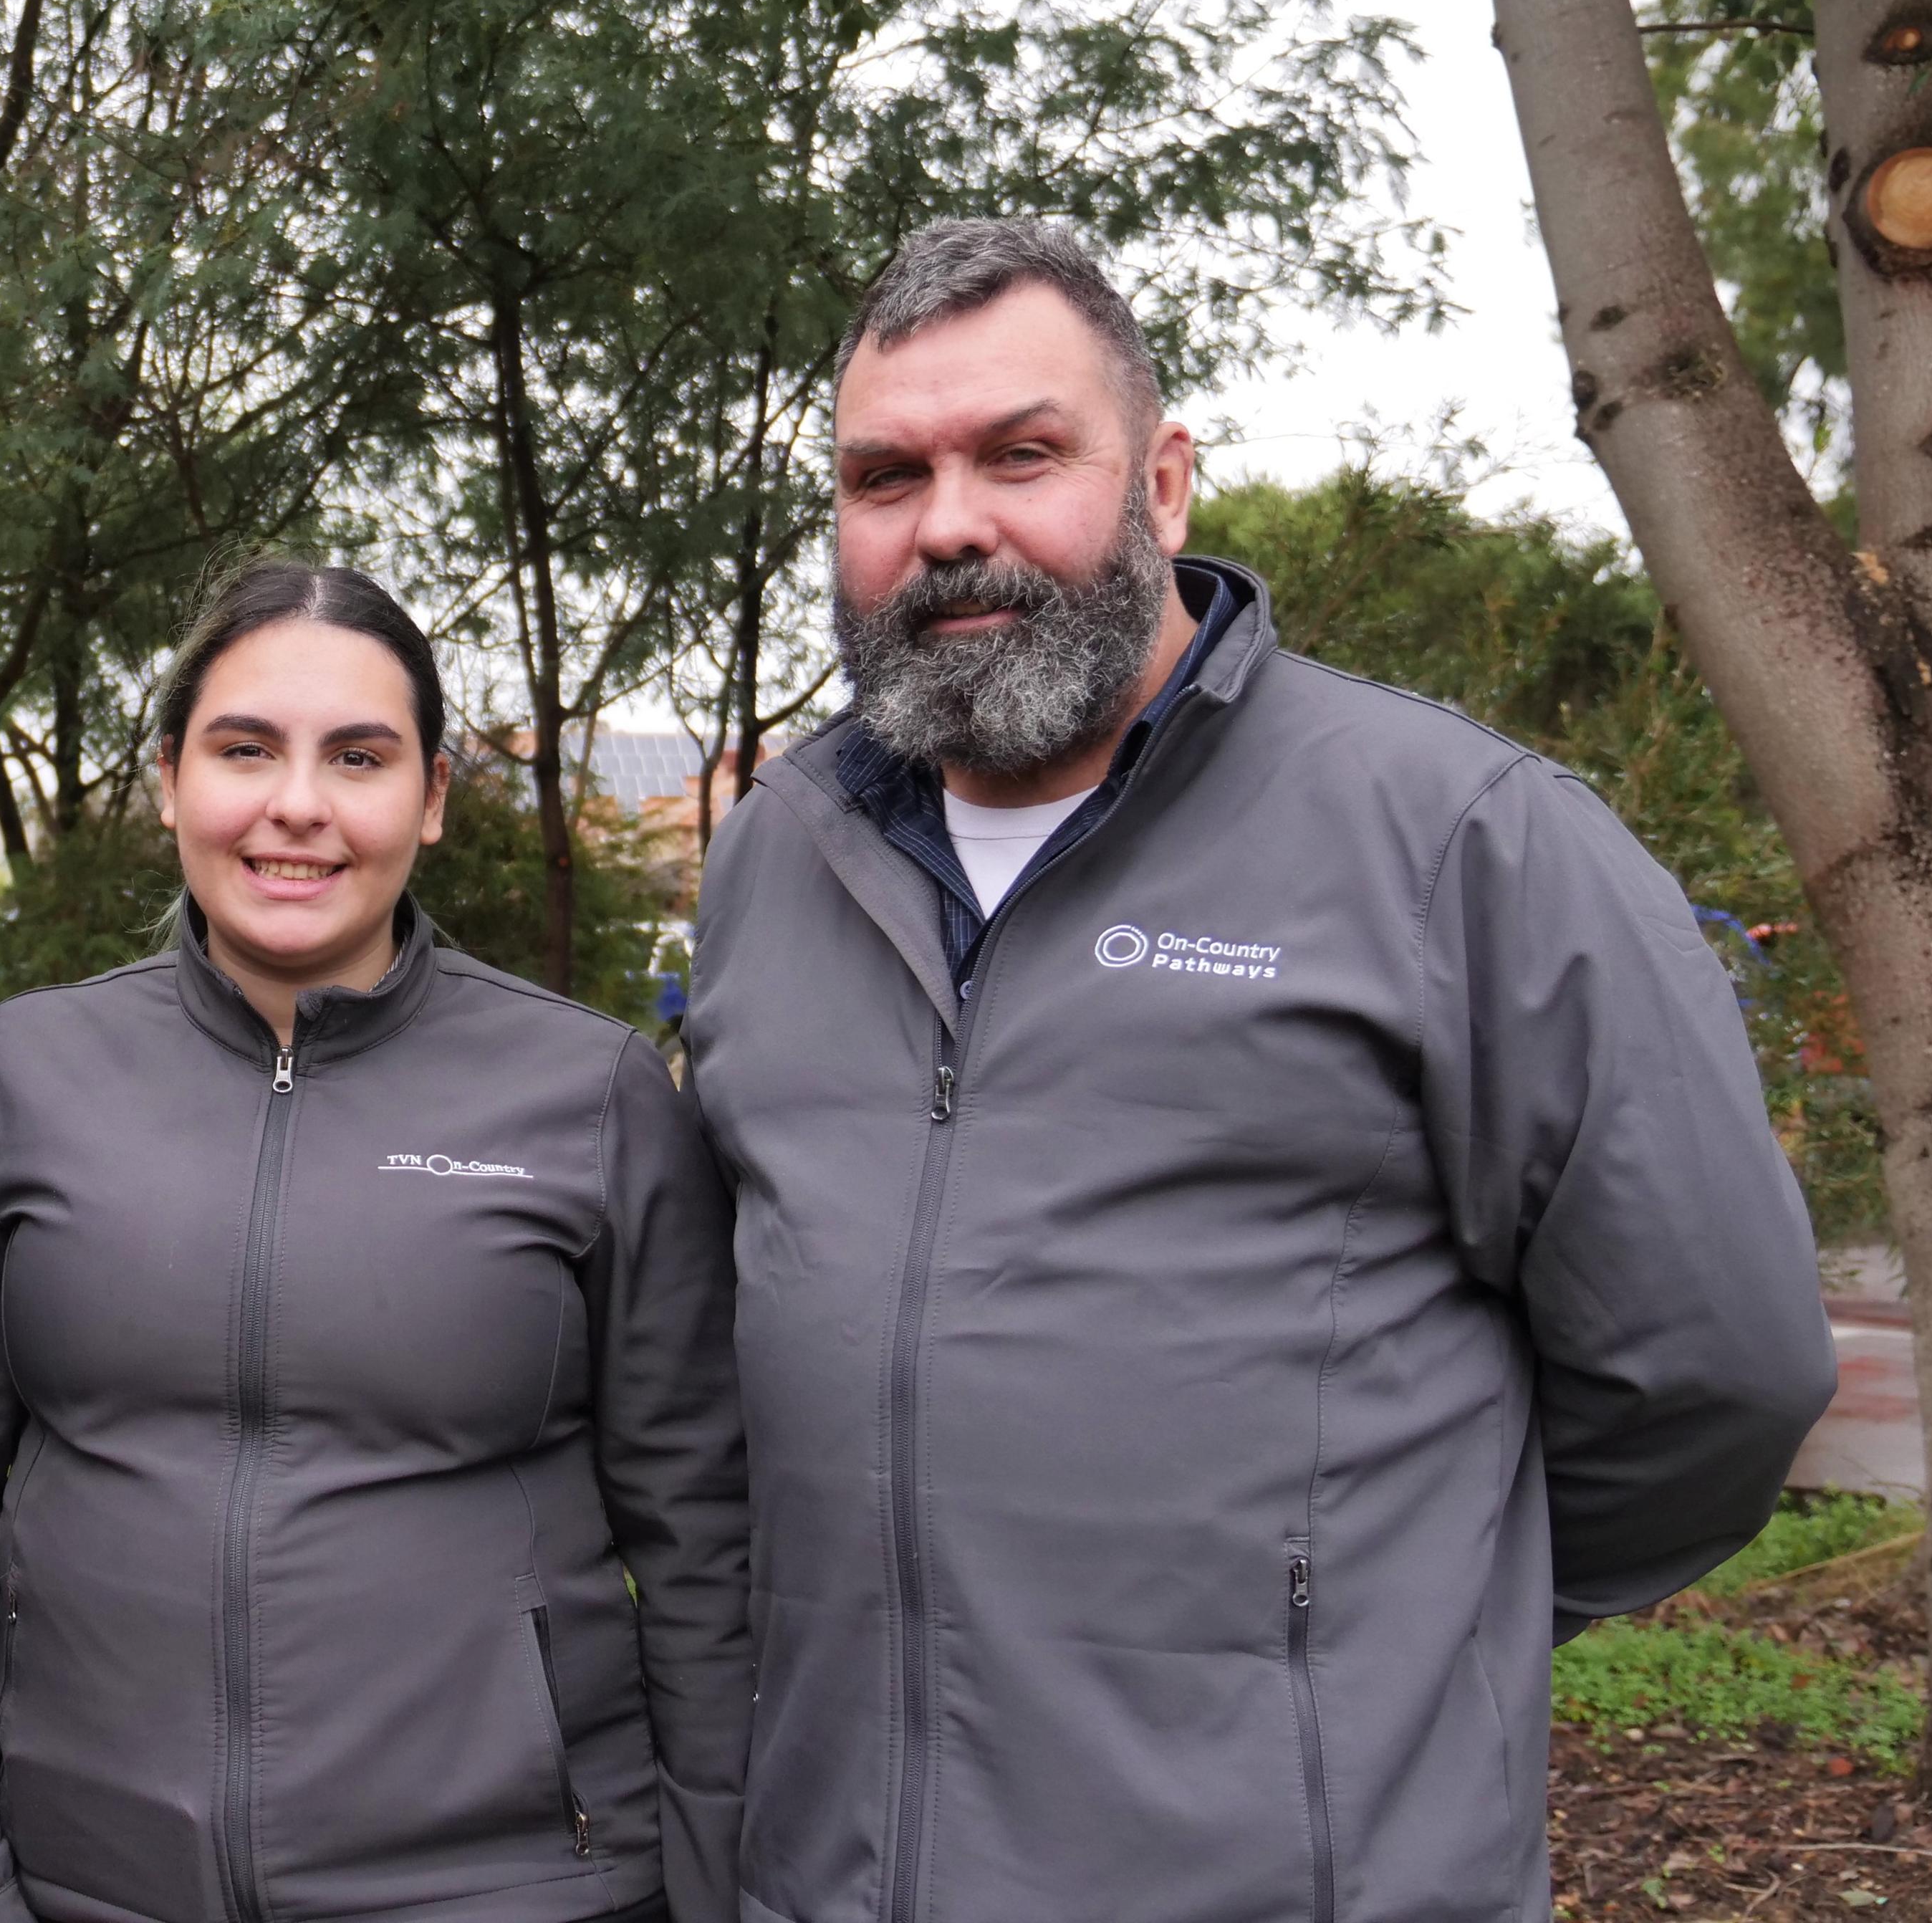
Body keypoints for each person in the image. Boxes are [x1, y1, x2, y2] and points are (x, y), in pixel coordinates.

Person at [686, 219, 1840, 1923]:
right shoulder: (776, 858)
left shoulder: (1464, 847)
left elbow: (1715, 1376)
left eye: (1021, 455)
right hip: (838, 1877)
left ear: (1161, 484)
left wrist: (1382, 1627)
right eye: (883, 476)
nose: (947, 526)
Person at [0, 563, 750, 1923]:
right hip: (87, 1882)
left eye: (360, 756)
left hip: (515, 1885)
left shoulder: (591, 1094)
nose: (298, 806)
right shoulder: (22, 1078)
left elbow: (700, 1542)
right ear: (169, 779)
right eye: (244, 749)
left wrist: (712, 1879)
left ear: (434, 797)